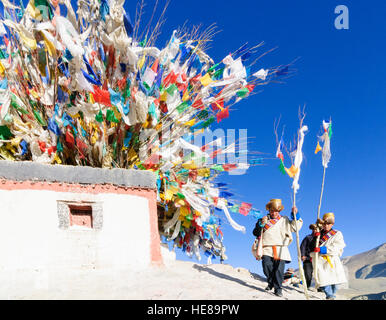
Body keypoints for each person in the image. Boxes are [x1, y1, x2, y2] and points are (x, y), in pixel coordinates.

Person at [252, 199, 303, 297]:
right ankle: (271, 282)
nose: (274, 213)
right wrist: (260, 225)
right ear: (269, 210)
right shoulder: (262, 219)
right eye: (272, 210)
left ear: (279, 211)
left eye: (276, 211)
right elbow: (255, 233)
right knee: (267, 266)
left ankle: (278, 289)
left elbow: (295, 227)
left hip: (281, 248)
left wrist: (295, 214)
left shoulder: (285, 219)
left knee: (279, 270)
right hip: (266, 247)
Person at [310, 212, 347, 300]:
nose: (326, 226)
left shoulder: (337, 234)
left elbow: (338, 247)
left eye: (328, 224)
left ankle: (332, 294)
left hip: (332, 259)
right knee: (322, 279)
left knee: (336, 280)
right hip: (320, 260)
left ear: (332, 224)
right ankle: (329, 295)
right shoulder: (318, 233)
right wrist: (315, 238)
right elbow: (311, 246)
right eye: (324, 224)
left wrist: (323, 249)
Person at [300, 224, 318, 289]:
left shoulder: (321, 238)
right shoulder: (308, 237)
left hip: (318, 259)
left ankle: (320, 288)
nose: (314, 231)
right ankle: (307, 286)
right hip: (308, 258)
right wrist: (302, 255)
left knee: (319, 273)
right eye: (313, 229)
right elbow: (303, 246)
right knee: (307, 274)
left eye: (316, 229)